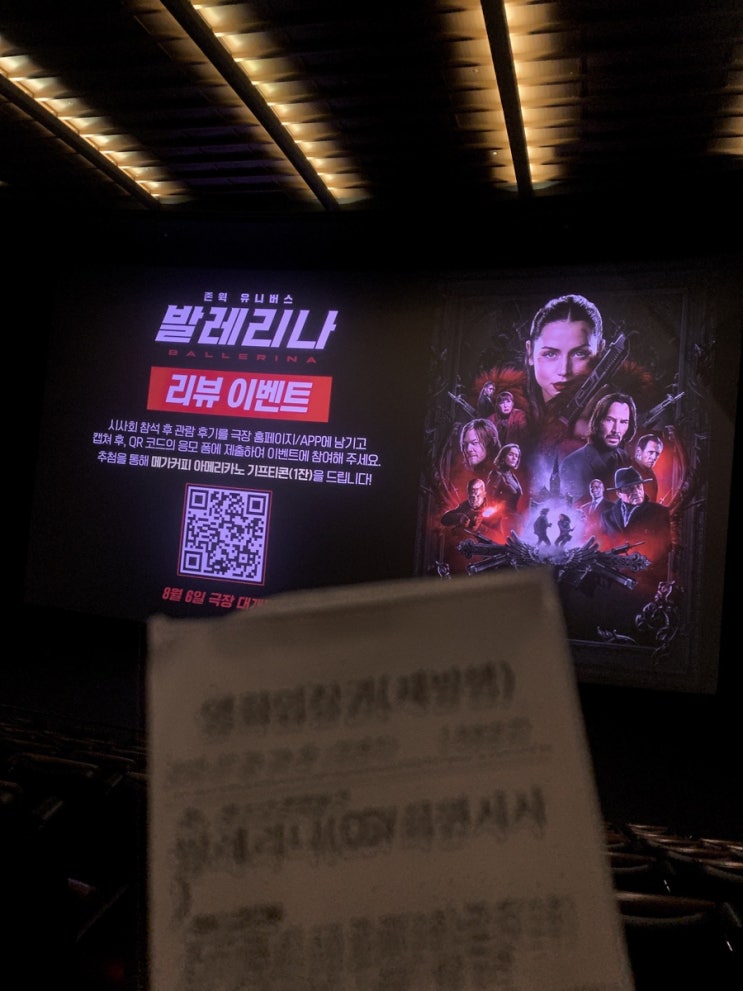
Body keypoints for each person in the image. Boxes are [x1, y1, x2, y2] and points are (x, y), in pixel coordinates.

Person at [559, 391, 636, 504]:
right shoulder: (572, 464)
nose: (616, 430)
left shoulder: (624, 458)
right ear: (598, 421)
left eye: (623, 422)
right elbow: (576, 509)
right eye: (610, 420)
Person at [600, 466, 672, 583]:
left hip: (649, 579)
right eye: (629, 489)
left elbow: (665, 549)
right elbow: (603, 547)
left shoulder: (659, 512)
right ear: (618, 493)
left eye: (639, 486)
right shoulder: (607, 516)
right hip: (616, 580)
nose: (636, 492)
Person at [486, 443, 524, 533]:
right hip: (503, 521)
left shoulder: (511, 475)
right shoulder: (497, 474)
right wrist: (498, 516)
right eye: (511, 454)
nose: (514, 458)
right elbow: (490, 498)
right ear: (503, 456)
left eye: (516, 456)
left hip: (514, 520)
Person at [632, 432, 663, 502]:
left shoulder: (651, 475)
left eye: (657, 454)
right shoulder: (626, 470)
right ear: (639, 451)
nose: (654, 457)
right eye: (650, 452)